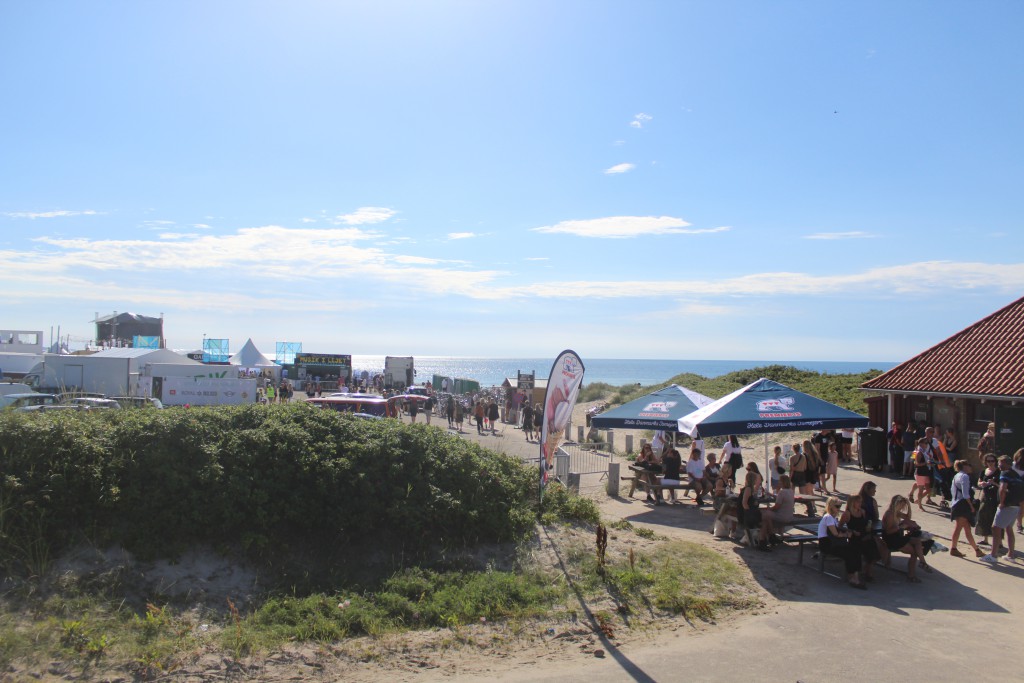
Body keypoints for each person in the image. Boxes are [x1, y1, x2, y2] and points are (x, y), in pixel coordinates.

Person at [980, 455, 1023, 564]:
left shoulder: (1005, 474)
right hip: (1016, 506)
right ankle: (1010, 555)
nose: (998, 465)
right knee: (1008, 528)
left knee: (996, 528)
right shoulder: (1016, 475)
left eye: (1000, 463)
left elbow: (1003, 489)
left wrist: (1002, 503)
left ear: (1005, 464)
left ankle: (993, 555)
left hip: (1007, 505)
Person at [818, 497, 867, 589]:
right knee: (850, 553)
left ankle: (855, 576)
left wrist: (849, 532)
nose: (839, 508)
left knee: (855, 550)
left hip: (832, 543)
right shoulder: (828, 517)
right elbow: (835, 534)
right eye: (837, 506)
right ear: (831, 506)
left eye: (840, 506)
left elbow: (838, 530)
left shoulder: (833, 517)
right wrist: (846, 535)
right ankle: (852, 577)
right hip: (827, 544)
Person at [881, 495, 931, 582]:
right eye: (902, 505)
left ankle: (922, 563)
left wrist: (909, 506)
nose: (903, 507)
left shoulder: (897, 513)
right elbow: (888, 531)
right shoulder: (889, 514)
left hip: (898, 537)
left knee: (917, 541)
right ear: (897, 504)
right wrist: (901, 527)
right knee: (915, 553)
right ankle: (912, 575)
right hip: (891, 539)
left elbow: (908, 517)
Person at [949, 460, 984, 558]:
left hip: (957, 504)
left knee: (966, 528)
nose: (971, 467)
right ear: (964, 466)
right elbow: (965, 494)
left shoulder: (957, 476)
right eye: (969, 465)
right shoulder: (964, 476)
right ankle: (954, 548)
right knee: (960, 528)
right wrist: (972, 506)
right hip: (962, 506)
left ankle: (977, 550)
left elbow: (953, 491)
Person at [840, 495, 879, 582]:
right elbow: (840, 527)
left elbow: (864, 524)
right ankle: (858, 574)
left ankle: (868, 572)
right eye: (858, 502)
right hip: (854, 538)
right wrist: (852, 531)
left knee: (874, 551)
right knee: (856, 551)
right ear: (852, 503)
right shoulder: (847, 513)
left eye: (860, 502)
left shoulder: (862, 511)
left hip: (864, 535)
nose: (860, 504)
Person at [759, 474, 796, 545]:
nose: (779, 483)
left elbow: (776, 507)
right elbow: (781, 499)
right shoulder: (791, 491)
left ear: (783, 482)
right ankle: (771, 535)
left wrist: (768, 509)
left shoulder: (782, 492)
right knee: (767, 518)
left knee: (765, 515)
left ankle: (768, 536)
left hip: (782, 516)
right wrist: (772, 495)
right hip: (789, 516)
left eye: (780, 481)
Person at [975, 452, 1000, 546]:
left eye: (992, 461)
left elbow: (1002, 486)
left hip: (995, 497)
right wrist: (982, 484)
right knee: (983, 516)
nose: (990, 463)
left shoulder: (999, 472)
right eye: (988, 461)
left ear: (995, 461)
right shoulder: (983, 471)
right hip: (985, 496)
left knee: (995, 518)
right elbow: (979, 482)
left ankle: (998, 542)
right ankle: (985, 539)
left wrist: (994, 483)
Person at [740, 471, 768, 551]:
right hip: (747, 515)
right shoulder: (748, 489)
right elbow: (744, 503)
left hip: (750, 513)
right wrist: (750, 512)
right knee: (763, 523)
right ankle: (762, 543)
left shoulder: (751, 488)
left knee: (766, 519)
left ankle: (764, 541)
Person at [910, 438, 933, 510]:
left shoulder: (923, 451)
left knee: (928, 489)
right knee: (920, 489)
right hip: (920, 472)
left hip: (925, 471)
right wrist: (926, 463)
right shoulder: (919, 452)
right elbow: (916, 463)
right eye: (926, 443)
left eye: (927, 443)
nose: (927, 445)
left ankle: (912, 494)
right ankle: (920, 505)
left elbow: (913, 459)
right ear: (921, 444)